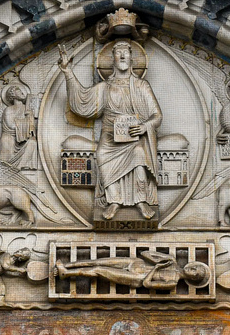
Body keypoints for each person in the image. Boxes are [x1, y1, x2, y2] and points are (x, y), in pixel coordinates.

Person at [59, 40, 161, 220]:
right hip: (110, 137)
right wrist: (68, 72)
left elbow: (157, 116)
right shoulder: (105, 87)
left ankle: (141, 200)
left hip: (134, 137)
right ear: (112, 59)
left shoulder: (141, 86)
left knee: (139, 153)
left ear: (132, 59)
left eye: (126, 53)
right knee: (101, 155)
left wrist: (145, 126)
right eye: (118, 53)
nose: (122, 56)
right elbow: (82, 102)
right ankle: (114, 201)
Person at [54, 249, 210, 291]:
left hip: (136, 278)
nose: (193, 270)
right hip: (135, 263)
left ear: (192, 279)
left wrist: (155, 269)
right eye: (195, 268)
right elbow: (145, 254)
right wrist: (162, 260)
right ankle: (67, 265)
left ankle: (66, 274)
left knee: (99, 269)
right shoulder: (171, 261)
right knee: (98, 260)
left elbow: (148, 285)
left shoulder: (172, 282)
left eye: (196, 274)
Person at [0, 85, 38, 169]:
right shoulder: (8, 110)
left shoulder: (27, 109)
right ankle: (7, 168)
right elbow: (11, 126)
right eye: (18, 90)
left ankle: (22, 166)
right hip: (10, 137)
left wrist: (30, 117)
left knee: (33, 142)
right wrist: (26, 121)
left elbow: (32, 131)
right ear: (12, 94)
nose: (22, 92)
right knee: (7, 141)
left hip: (24, 138)